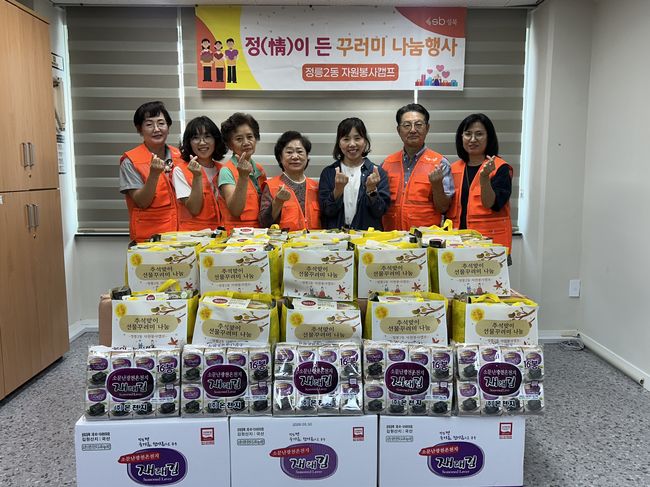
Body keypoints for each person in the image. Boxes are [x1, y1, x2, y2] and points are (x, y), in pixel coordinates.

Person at [382, 103, 455, 231]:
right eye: (407, 125)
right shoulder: (387, 164)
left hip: (425, 238)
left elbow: (444, 208)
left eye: (418, 124)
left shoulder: (440, 163)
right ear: (398, 130)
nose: (413, 130)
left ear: (427, 128)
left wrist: (437, 185)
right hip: (391, 237)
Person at [447, 113, 513, 253]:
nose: (472, 139)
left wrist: (484, 178)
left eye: (479, 134)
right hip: (457, 244)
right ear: (461, 137)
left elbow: (491, 204)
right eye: (468, 134)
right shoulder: (453, 168)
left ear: (489, 137)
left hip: (491, 245)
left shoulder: (500, 167)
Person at [119, 101, 181, 242]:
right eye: (149, 124)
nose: (156, 129)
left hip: (181, 237)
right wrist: (153, 175)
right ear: (139, 129)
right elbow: (142, 202)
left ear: (168, 127)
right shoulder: (130, 161)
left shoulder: (180, 156)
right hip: (149, 240)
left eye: (161, 123)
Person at [318, 117, 390, 230]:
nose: (352, 144)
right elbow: (327, 211)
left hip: (367, 238)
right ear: (339, 143)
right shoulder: (329, 173)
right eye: (346, 139)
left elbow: (380, 211)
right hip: (336, 238)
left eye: (357, 138)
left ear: (365, 141)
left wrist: (371, 190)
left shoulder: (376, 172)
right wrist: (338, 191)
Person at [173, 116, 228, 231]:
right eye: (196, 138)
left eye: (207, 136)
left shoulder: (223, 169)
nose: (202, 142)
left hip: (220, 234)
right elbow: (194, 209)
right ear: (189, 142)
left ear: (216, 140)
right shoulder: (180, 170)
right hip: (192, 235)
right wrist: (197, 176)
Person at [259, 131, 319, 231]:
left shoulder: (316, 187)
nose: (295, 157)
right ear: (280, 158)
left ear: (307, 156)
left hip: (315, 240)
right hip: (284, 240)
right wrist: (277, 202)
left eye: (300, 152)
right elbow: (263, 223)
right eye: (289, 152)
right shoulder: (271, 186)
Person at [217, 113, 267, 231]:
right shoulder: (226, 171)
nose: (246, 142)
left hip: (260, 232)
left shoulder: (259, 170)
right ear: (230, 145)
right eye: (239, 139)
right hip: (236, 234)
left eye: (250, 137)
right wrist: (243, 177)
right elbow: (235, 210)